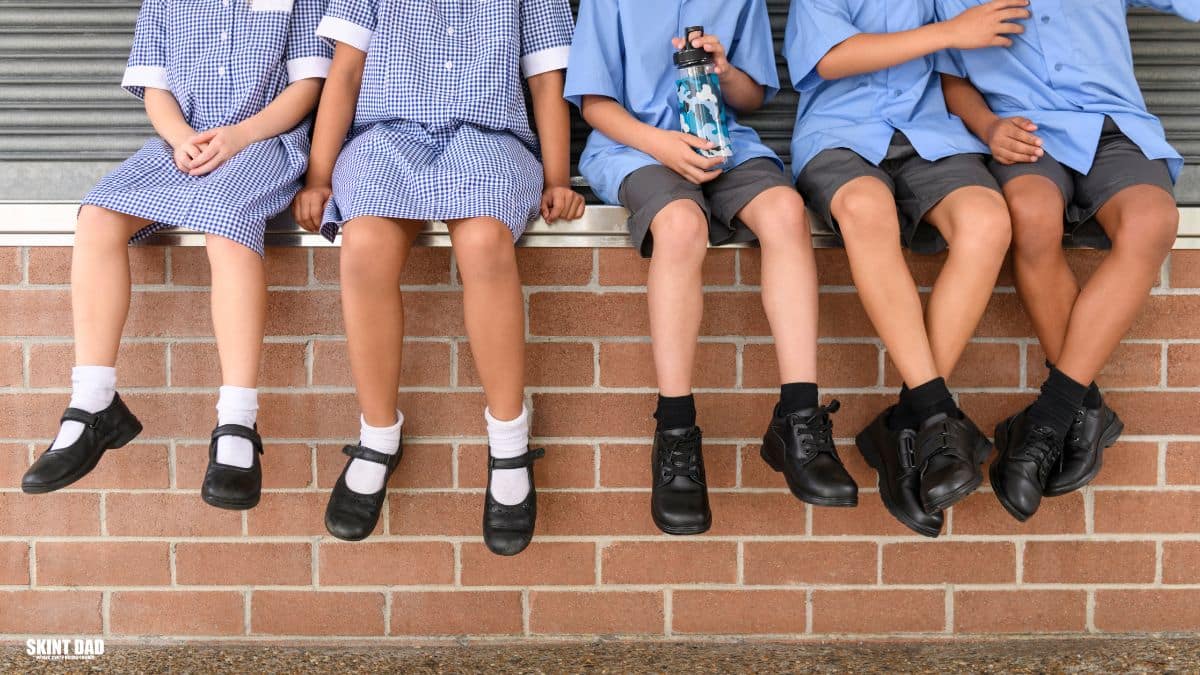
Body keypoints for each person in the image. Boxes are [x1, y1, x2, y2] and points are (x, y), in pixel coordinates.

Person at [293, 0, 582, 555]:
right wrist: (320, 176)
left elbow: (546, 81)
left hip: (488, 141)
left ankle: (509, 441)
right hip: (386, 138)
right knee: (364, 245)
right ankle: (378, 435)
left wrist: (558, 177)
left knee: (484, 242)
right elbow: (345, 71)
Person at [21, 0, 331, 512]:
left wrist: (238, 135)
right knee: (97, 216)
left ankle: (237, 419)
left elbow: (307, 86)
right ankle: (93, 401)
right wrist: (182, 137)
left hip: (261, 142)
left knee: (226, 222)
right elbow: (156, 85)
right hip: (180, 143)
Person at [566, 0, 857, 537]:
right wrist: (660, 144)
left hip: (723, 144)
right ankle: (675, 432)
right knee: (680, 227)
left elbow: (751, 97)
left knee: (786, 211)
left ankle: (798, 418)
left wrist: (725, 70)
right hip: (635, 147)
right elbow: (594, 104)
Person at [937, 0, 1195, 521]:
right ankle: (1081, 408)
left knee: (1153, 220)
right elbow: (947, 73)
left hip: (1113, 128)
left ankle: (1051, 420)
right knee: (1031, 216)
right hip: (1023, 133)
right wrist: (988, 127)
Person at [786, 0, 1027, 536]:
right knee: (866, 211)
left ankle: (907, 424)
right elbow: (832, 58)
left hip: (931, 135)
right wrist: (948, 31)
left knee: (988, 221)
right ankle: (936, 415)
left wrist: (988, 126)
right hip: (841, 135)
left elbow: (954, 69)